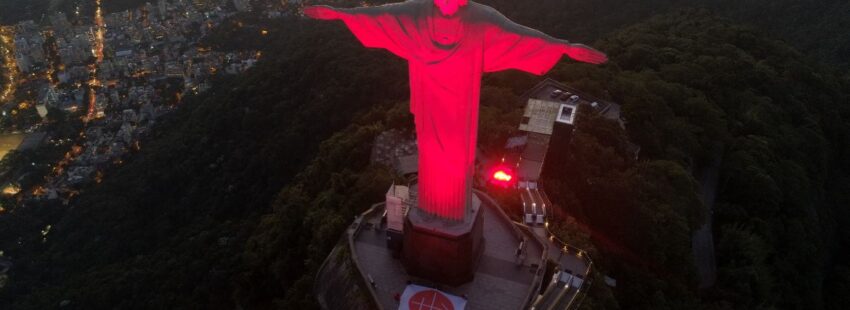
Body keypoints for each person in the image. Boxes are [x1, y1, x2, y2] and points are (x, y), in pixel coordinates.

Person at [304, 0, 606, 221]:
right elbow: (380, 16)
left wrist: (563, 47)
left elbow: (519, 36)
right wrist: (339, 14)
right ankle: (432, 207)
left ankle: (451, 208)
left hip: (459, 105)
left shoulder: (479, 20)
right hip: (430, 100)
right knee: (431, 154)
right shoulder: (416, 13)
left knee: (456, 157)